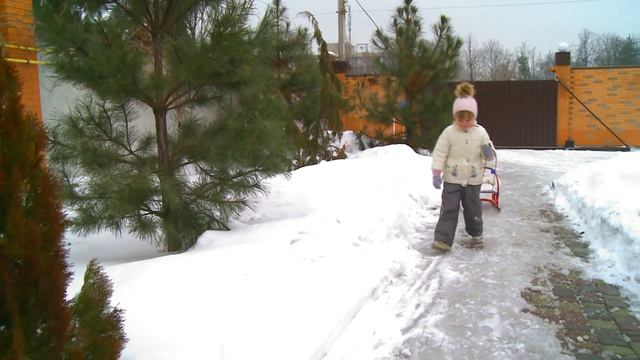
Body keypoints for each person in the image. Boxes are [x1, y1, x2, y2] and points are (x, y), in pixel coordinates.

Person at [430, 81, 494, 251]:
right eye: (460, 118)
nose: (464, 122)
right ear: (454, 116)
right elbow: (440, 152)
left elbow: (489, 154)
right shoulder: (449, 133)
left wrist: (488, 153)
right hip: (452, 178)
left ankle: (476, 234)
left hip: (473, 180)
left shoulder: (481, 132)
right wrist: (436, 172)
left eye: (468, 118)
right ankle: (443, 240)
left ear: (474, 116)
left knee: (473, 208)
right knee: (449, 209)